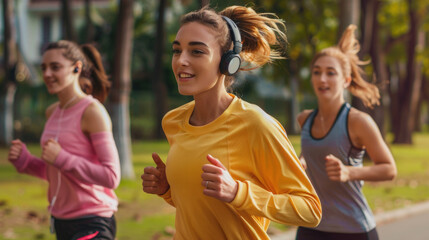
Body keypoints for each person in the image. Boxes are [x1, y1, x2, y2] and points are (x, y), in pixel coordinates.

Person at [141, 6, 321, 239]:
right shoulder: (173, 121)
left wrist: (238, 192)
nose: (181, 61)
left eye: (196, 52)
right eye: (177, 51)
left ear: (228, 62)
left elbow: (310, 210)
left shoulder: (256, 124)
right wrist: (167, 189)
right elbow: (202, 208)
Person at [8, 40, 120, 240]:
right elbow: (56, 171)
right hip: (61, 221)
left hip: (92, 219)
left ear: (77, 68)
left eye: (55, 67)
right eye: (44, 68)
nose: (47, 74)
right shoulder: (52, 112)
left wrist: (61, 157)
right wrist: (26, 161)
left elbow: (111, 176)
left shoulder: (92, 111)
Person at [296, 24, 397, 240]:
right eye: (317, 72)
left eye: (331, 73)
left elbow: (389, 169)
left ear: (346, 80)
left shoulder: (358, 122)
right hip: (311, 224)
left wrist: (349, 172)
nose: (322, 79)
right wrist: (302, 161)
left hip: (353, 229)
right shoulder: (304, 119)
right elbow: (312, 152)